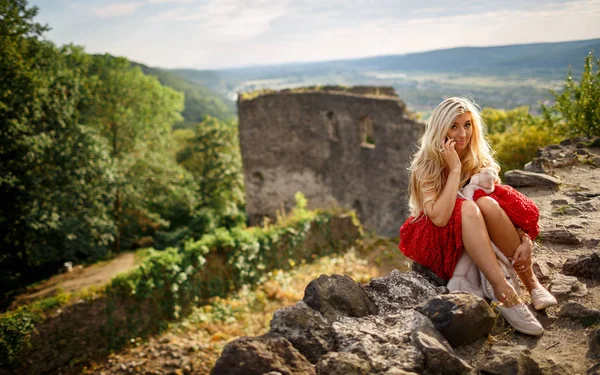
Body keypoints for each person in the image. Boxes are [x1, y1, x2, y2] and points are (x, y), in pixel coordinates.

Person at [398, 97, 556, 336]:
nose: (462, 134)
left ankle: (531, 281)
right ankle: (505, 293)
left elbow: (506, 207)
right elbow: (439, 217)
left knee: (488, 203)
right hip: (440, 237)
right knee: (468, 207)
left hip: (479, 230)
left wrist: (525, 240)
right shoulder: (426, 165)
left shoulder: (476, 156)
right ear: (441, 128)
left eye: (467, 124)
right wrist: (454, 170)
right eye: (454, 126)